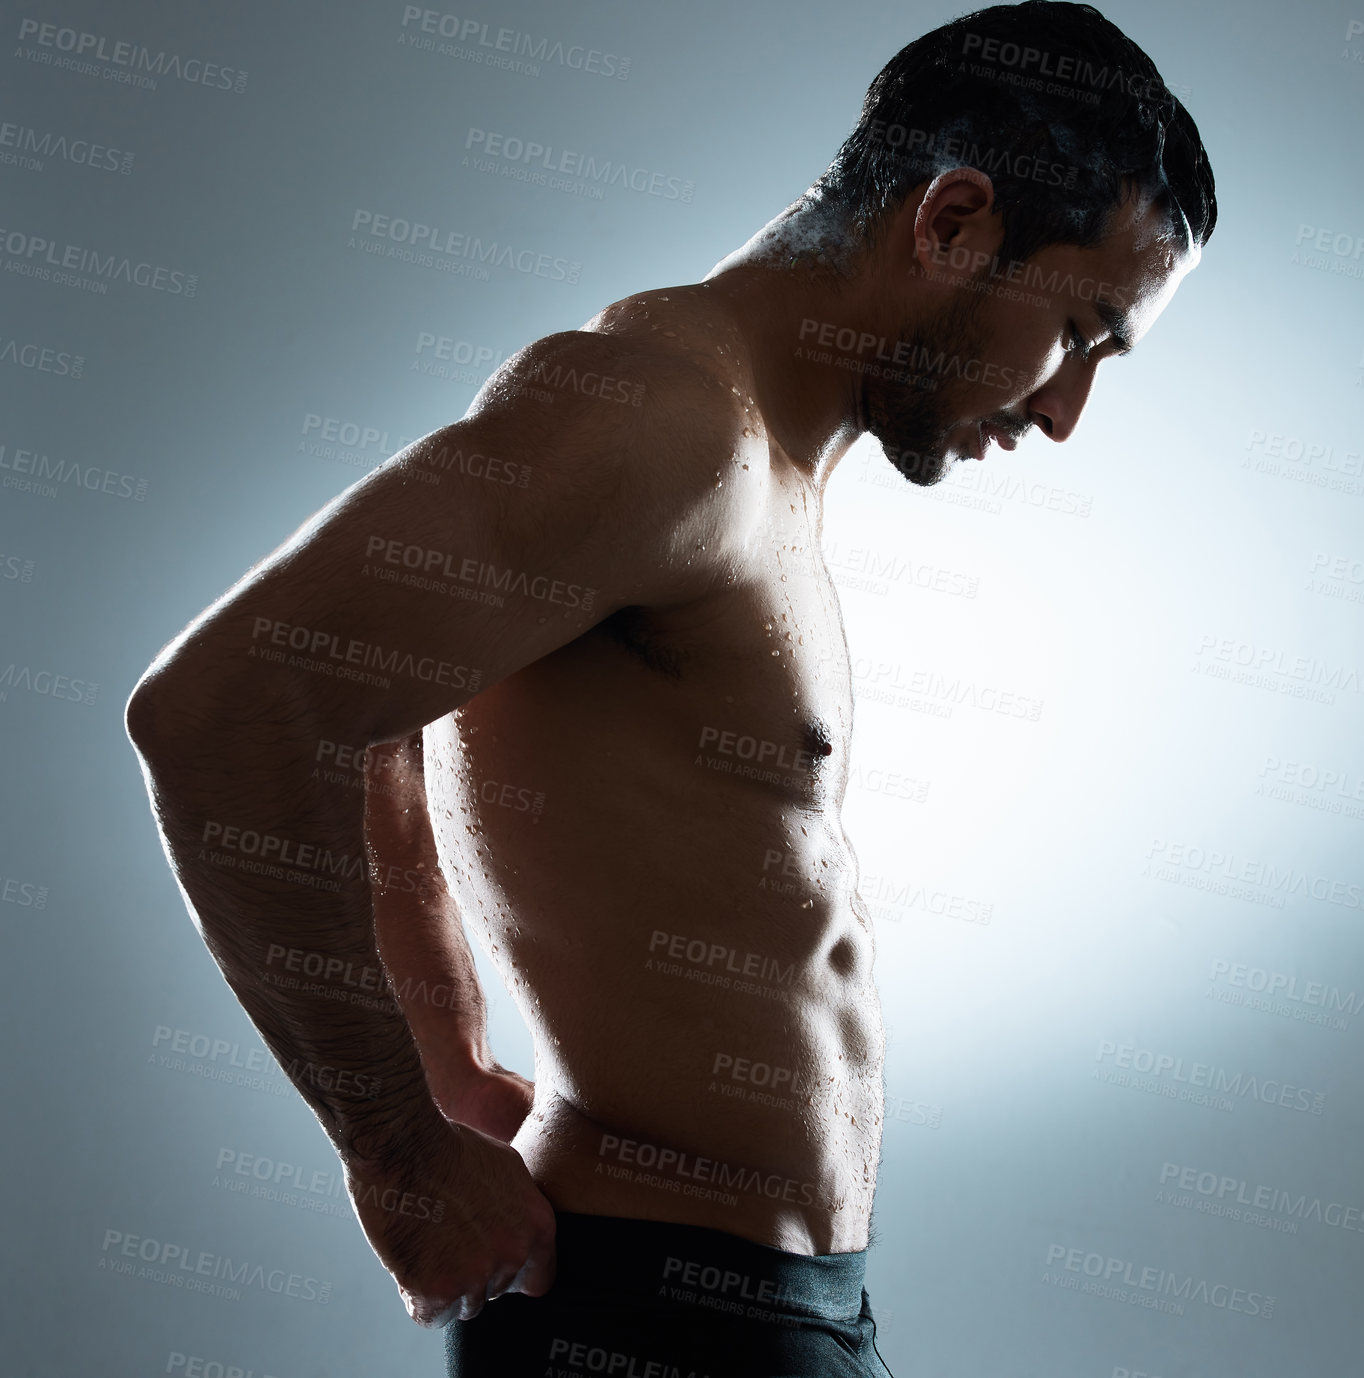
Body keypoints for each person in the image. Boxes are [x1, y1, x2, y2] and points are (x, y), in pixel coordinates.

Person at [125, 3, 1216, 1373]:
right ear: (950, 223)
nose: (1064, 412)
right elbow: (227, 706)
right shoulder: (657, 420)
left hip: (777, 1306)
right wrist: (398, 1150)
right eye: (1080, 333)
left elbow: (378, 718)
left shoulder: (761, 452)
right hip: (648, 1314)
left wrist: (451, 1061)